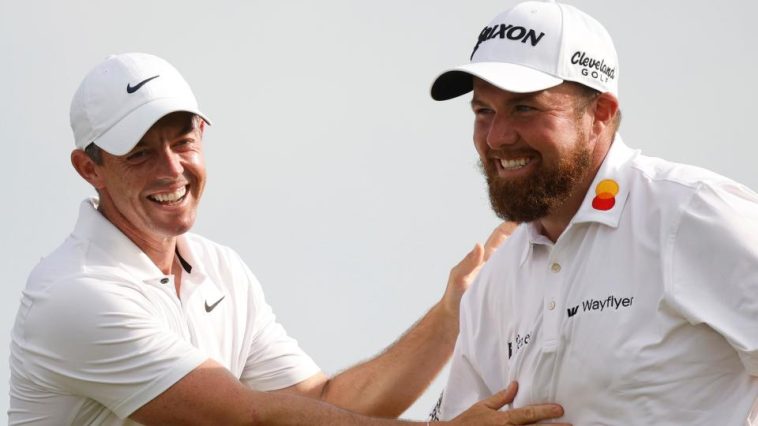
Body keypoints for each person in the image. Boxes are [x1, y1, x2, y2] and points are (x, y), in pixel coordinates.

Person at [8, 52, 570, 426]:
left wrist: (452, 314)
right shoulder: (77, 295)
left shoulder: (218, 268)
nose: (172, 170)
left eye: (183, 141)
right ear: (90, 168)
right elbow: (252, 420)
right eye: (139, 154)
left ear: (203, 133)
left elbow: (324, 407)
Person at [428, 0, 758, 424]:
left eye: (524, 108)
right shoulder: (495, 284)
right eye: (483, 111)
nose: (497, 137)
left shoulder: (691, 212)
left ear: (599, 113)